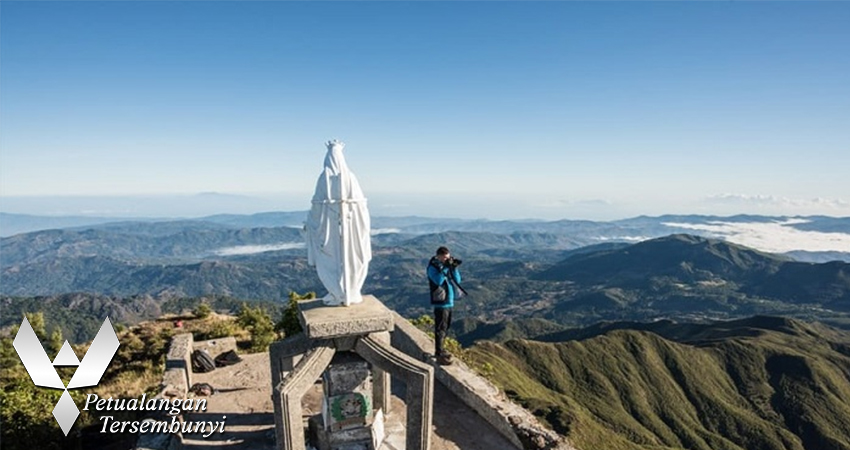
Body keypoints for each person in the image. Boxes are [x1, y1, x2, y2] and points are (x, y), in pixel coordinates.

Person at [427, 246, 462, 365]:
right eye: (445, 258)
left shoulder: (445, 266)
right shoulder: (432, 267)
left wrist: (454, 268)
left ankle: (441, 348)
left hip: (449, 300)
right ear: (439, 256)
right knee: (440, 328)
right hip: (440, 302)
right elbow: (438, 281)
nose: (446, 260)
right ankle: (439, 351)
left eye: (448, 258)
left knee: (446, 327)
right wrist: (445, 268)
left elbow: (457, 280)